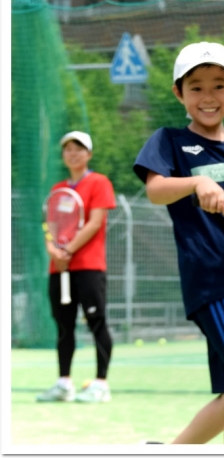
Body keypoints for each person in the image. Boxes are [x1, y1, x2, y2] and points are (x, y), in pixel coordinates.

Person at [133, 42, 224, 444]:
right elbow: (157, 189)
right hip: (214, 281)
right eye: (196, 87)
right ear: (178, 93)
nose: (208, 97)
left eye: (219, 85)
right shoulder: (168, 141)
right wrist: (198, 182)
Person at [37, 131, 116, 404]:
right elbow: (50, 227)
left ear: (89, 154)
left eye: (79, 149)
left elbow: (94, 223)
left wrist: (68, 249)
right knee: (63, 326)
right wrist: (53, 249)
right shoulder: (58, 189)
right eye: (68, 149)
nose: (73, 153)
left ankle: (101, 384)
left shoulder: (99, 182)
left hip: (89, 267)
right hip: (59, 269)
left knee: (97, 322)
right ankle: (63, 384)